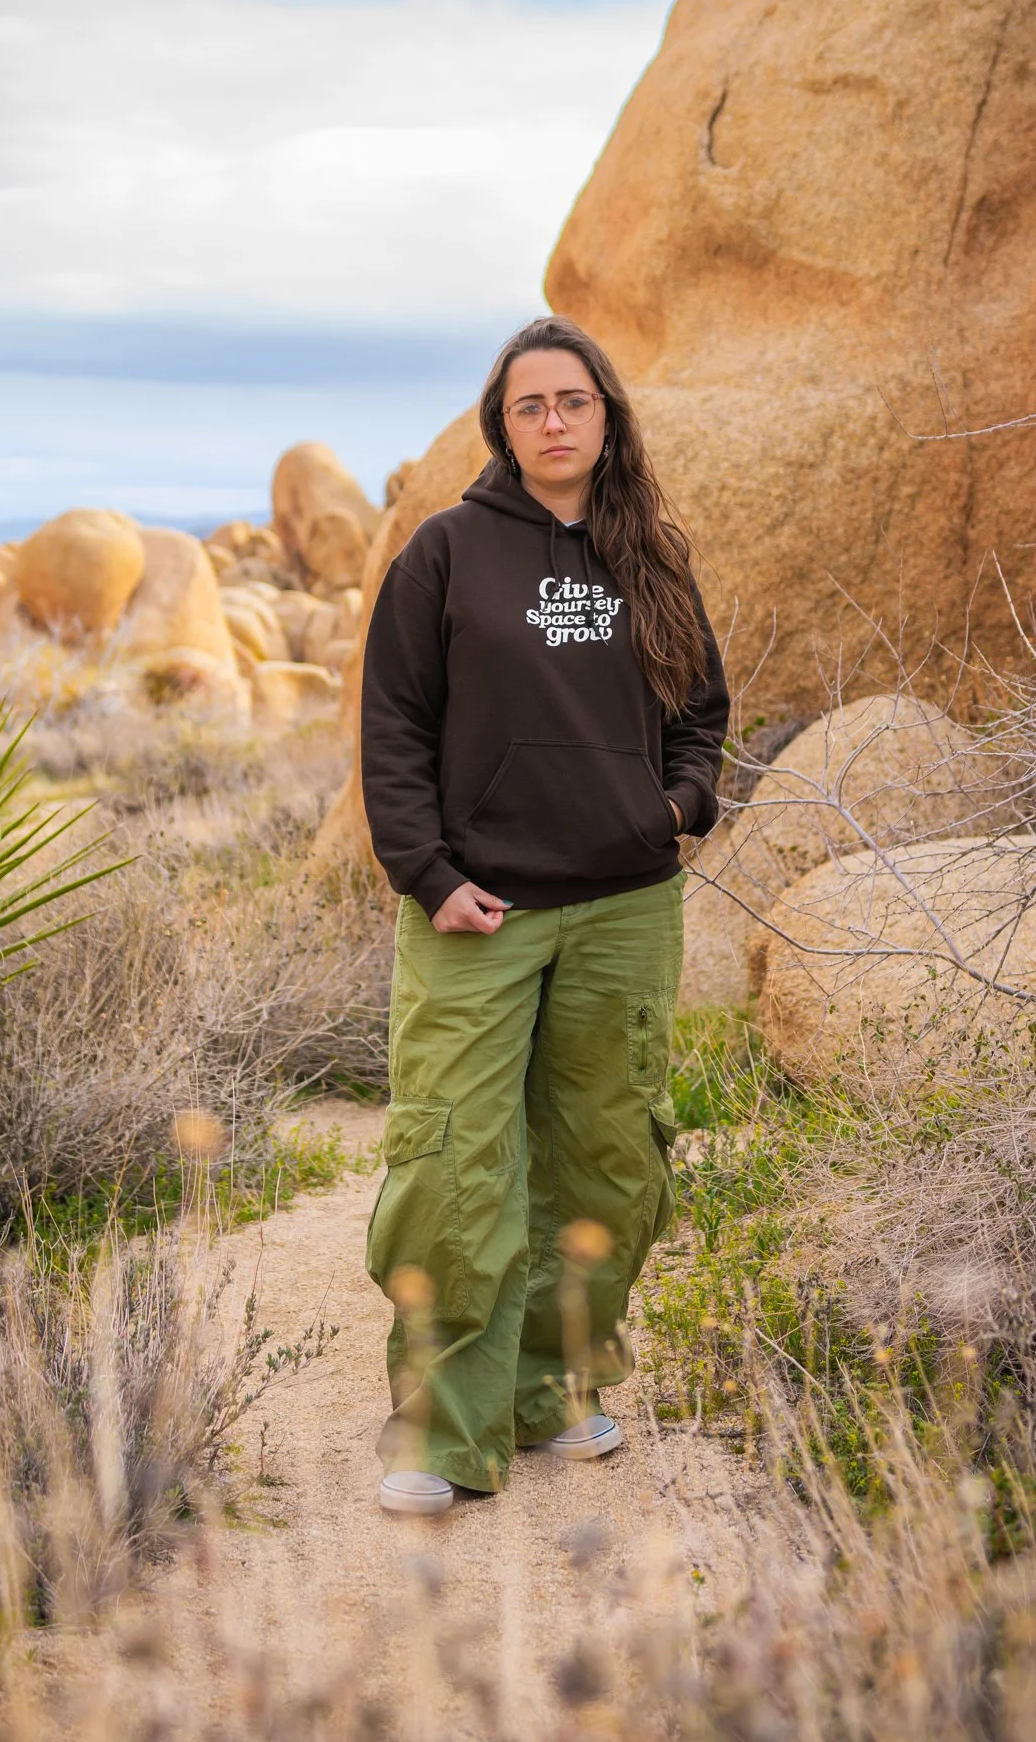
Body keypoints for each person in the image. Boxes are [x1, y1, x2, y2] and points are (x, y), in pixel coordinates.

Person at [359, 315, 729, 1515]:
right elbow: (395, 729)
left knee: (607, 1166)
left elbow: (702, 712)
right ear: (501, 425)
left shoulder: (653, 555)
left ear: (606, 416)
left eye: (574, 401)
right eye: (531, 406)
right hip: (480, 912)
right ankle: (441, 1434)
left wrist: (674, 807)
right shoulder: (447, 553)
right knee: (458, 1167)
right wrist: (426, 872)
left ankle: (549, 1393)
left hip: (624, 907)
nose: (555, 422)